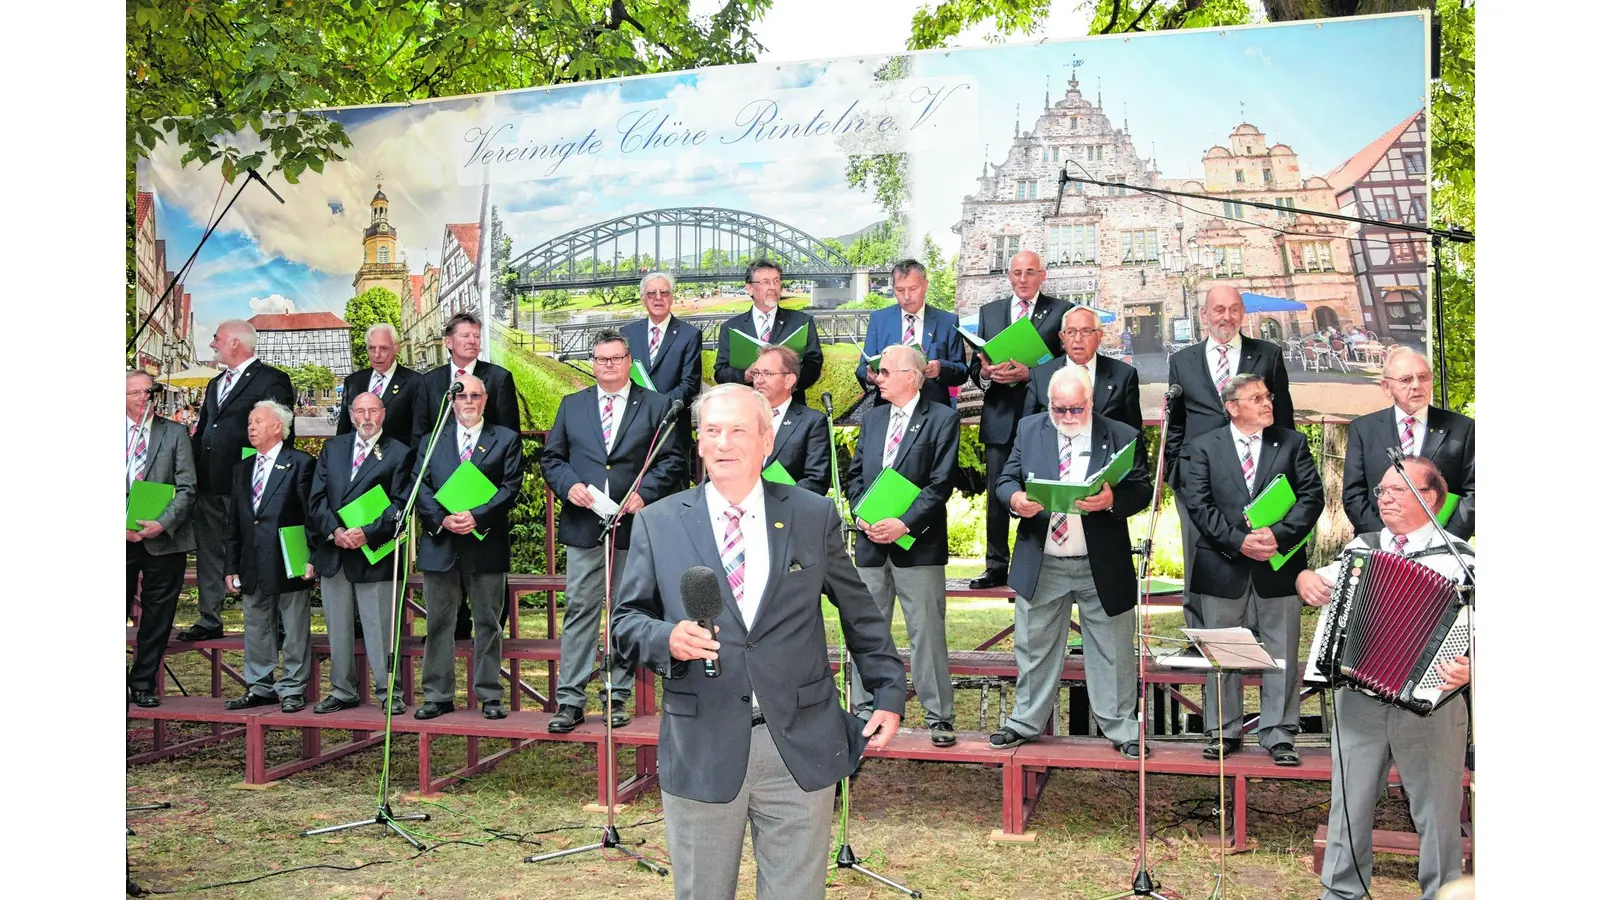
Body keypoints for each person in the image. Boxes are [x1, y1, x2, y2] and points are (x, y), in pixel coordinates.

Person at [612, 384, 905, 900]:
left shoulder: (812, 515)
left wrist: (886, 692)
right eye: (711, 431)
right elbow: (625, 622)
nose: (723, 443)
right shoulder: (658, 523)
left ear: (766, 440)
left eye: (738, 430)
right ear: (698, 443)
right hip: (702, 744)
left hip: (797, 741)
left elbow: (860, 611)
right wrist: (667, 637)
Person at [1297, 457, 1472, 900]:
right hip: (1359, 698)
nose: (1384, 499)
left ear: (1428, 498)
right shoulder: (1364, 548)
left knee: (1438, 814)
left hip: (1433, 707)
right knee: (1348, 807)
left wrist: (1473, 665)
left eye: (1396, 490)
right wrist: (1306, 580)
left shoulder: (1462, 561)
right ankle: (1340, 893)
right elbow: (1320, 583)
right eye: (1381, 491)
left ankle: (1444, 894)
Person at [992, 366, 1153, 756]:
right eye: (1058, 409)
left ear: (1091, 402)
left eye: (1075, 410)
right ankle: (1025, 722)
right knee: (1034, 646)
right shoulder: (1030, 429)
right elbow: (1005, 479)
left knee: (1113, 648)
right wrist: (1015, 499)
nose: (1066, 417)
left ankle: (1123, 729)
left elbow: (1142, 489)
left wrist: (1113, 500)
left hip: (1101, 562)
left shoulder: (1121, 435)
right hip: (1043, 559)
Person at [539, 331, 686, 732]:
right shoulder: (572, 406)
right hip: (585, 525)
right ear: (592, 362)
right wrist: (569, 486)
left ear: (629, 360)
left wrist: (645, 494)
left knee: (625, 612)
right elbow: (552, 458)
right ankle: (569, 699)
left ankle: (615, 695)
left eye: (615, 358)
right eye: (601, 359)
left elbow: (673, 462)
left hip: (634, 526)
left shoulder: (658, 406)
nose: (608, 365)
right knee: (581, 610)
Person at [1178, 373, 1323, 763]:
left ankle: (1278, 734)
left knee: (1282, 651)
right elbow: (1199, 505)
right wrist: (1238, 542)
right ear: (1232, 407)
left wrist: (1278, 536)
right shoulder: (1203, 447)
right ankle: (1223, 730)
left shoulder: (1291, 443)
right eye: (1255, 397)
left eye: (1267, 396)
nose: (1266, 403)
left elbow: (1312, 497)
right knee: (1223, 652)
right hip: (1223, 565)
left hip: (1280, 564)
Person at [844, 344, 960, 747]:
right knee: (865, 629)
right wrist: (860, 514)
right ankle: (863, 711)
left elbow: (940, 483)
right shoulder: (873, 418)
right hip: (871, 543)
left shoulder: (942, 419)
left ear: (912, 376)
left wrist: (903, 523)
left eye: (887, 372)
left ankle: (939, 717)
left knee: (926, 632)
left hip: (919, 543)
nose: (879, 378)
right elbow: (855, 474)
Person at [1163, 286, 1295, 629]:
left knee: (1250, 553)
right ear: (1204, 315)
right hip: (1197, 479)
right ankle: (1199, 635)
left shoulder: (1267, 354)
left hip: (1253, 477)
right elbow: (1176, 424)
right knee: (1197, 557)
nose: (1227, 316)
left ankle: (1252, 634)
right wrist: (1174, 472)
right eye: (1219, 309)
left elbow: (1283, 420)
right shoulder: (1182, 361)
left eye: (1234, 309)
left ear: (1242, 313)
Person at [412, 375, 525, 720]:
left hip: (485, 542)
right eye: (462, 397)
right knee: (438, 623)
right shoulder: (433, 441)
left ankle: (490, 694)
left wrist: (477, 516)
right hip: (441, 542)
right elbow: (420, 485)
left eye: (475, 395)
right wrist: (442, 519)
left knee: (488, 622)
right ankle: (437, 694)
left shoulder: (504, 439)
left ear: (486, 400)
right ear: (452, 402)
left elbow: (510, 488)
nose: (469, 402)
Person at [179, 320, 296, 642]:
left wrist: (273, 483)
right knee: (209, 552)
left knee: (260, 550)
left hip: (251, 487)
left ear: (234, 343)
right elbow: (204, 430)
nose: (213, 344)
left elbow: (282, 434)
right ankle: (209, 617)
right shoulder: (216, 383)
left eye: (217, 339)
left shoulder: (272, 379)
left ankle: (275, 623)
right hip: (209, 484)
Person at [411, 311, 520, 640]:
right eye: (465, 336)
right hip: (441, 508)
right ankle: (454, 628)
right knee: (443, 607)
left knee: (488, 604)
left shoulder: (498, 378)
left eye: (476, 336)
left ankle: (488, 662)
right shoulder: (429, 382)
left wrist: (480, 508)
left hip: (483, 507)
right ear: (448, 342)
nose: (472, 341)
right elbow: (421, 436)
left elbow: (507, 438)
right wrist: (439, 510)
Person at [308, 391, 415, 715]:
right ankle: (342, 690)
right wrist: (335, 531)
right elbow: (316, 499)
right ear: (352, 415)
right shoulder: (333, 448)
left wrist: (367, 532)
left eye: (373, 411)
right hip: (337, 551)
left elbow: (402, 505)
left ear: (383, 414)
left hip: (374, 553)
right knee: (337, 628)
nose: (366, 417)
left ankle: (388, 693)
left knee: (379, 628)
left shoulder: (400, 453)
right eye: (360, 411)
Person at [968, 250, 1068, 590]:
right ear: (1008, 276)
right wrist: (984, 372)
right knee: (998, 494)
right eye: (1016, 273)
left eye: (1029, 272)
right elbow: (974, 368)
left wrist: (1032, 373)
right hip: (999, 418)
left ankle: (1043, 563)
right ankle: (995, 565)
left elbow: (1068, 365)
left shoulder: (1061, 311)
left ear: (1042, 275)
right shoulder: (990, 312)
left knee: (1041, 493)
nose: (1022, 279)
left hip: (1043, 420)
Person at [221, 401, 317, 713]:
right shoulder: (242, 468)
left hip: (289, 559)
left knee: (294, 626)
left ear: (278, 427)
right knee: (256, 625)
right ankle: (259, 685)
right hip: (251, 560)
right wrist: (231, 565)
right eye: (250, 422)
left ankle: (292, 687)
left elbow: (311, 515)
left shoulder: (300, 463)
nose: (251, 427)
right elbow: (234, 520)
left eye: (258, 421)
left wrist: (311, 558)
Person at [1342, 347, 1474, 540]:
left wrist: (1442, 541)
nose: (1416, 385)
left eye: (1423, 377)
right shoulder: (1363, 429)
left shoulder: (1463, 428)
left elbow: (1474, 493)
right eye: (1406, 380)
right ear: (1386, 387)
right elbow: (1354, 494)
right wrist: (1388, 540)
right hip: (1380, 548)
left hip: (1443, 549)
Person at [126, 371, 198, 708]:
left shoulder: (175, 432)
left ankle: (142, 683)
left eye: (148, 392)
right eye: (135, 393)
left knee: (158, 617)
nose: (144, 398)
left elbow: (187, 487)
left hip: (164, 540)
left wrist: (162, 523)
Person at [620, 272, 702, 489]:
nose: (658, 298)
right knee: (635, 492)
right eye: (652, 293)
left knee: (676, 494)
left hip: (673, 428)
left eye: (664, 292)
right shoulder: (626, 333)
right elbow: (621, 378)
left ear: (672, 297)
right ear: (643, 298)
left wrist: (658, 408)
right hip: (634, 428)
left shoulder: (689, 334)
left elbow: (690, 383)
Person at [854, 259, 968, 409]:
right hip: (888, 410)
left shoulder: (947, 321)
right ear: (893, 288)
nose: (907, 297)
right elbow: (863, 368)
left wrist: (941, 368)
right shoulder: (879, 319)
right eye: (900, 290)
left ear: (925, 285)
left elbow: (962, 372)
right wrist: (870, 377)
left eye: (913, 289)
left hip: (934, 413)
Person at [713, 259, 824, 404]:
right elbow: (721, 372)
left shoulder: (801, 322)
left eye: (776, 281)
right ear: (750, 288)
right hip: (747, 409)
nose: (773, 287)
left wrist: (785, 382)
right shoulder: (732, 327)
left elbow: (814, 364)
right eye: (765, 282)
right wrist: (745, 375)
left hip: (790, 407)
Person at [1023, 304, 1143, 431]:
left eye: (1086, 331)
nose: (1078, 339)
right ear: (1062, 338)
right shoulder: (1040, 376)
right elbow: (1027, 432)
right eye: (1070, 332)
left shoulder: (1124, 376)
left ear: (1099, 336)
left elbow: (1134, 435)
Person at [752, 346, 831, 495]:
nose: (758, 381)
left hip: (788, 511)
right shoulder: (742, 417)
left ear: (789, 380)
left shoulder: (812, 422)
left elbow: (816, 479)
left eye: (767, 374)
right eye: (756, 373)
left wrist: (775, 502)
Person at [337, 323, 421, 449]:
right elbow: (344, 429)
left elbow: (418, 432)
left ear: (396, 348)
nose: (376, 355)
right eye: (371, 348)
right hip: (358, 462)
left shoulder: (416, 382)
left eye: (383, 348)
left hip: (397, 464)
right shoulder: (353, 382)